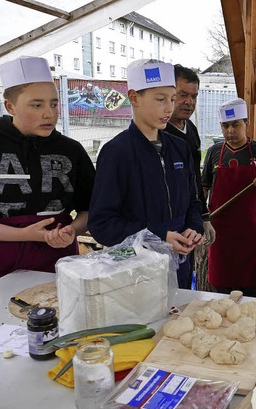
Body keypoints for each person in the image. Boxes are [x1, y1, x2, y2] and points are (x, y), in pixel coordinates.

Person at [0, 56, 96, 281]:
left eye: (54, 104)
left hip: (57, 259)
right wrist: (21, 234)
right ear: (10, 106)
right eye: (37, 105)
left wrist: (72, 231)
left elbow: (91, 208)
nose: (49, 113)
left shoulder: (71, 150)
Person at [88, 59, 204, 286]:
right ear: (134, 98)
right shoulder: (117, 152)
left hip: (179, 264)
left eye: (171, 99)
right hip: (135, 273)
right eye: (160, 100)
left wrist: (194, 227)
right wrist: (159, 235)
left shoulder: (179, 148)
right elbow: (102, 225)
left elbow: (192, 200)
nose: (169, 108)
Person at [202, 98, 256, 297]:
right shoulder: (214, 152)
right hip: (219, 230)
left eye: (236, 125)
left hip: (249, 229)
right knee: (220, 285)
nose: (230, 131)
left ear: (246, 124)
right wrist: (202, 217)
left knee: (249, 284)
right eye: (225, 126)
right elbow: (204, 188)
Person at [164, 64, 215, 288]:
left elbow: (194, 180)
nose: (189, 102)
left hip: (188, 225)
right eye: (182, 95)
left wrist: (203, 217)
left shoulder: (190, 129)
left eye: (193, 96)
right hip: (163, 230)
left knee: (183, 287)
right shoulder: (159, 134)